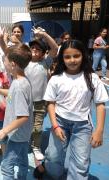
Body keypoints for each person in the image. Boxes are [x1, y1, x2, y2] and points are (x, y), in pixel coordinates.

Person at [33, 40, 109, 179]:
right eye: (67, 57)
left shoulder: (92, 78)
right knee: (54, 157)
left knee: (81, 162)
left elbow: (100, 104)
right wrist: (55, 126)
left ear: (83, 56)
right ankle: (49, 169)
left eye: (76, 56)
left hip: (83, 126)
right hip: (60, 123)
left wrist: (99, 130)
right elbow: (50, 103)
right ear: (62, 58)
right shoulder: (56, 79)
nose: (72, 60)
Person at [0, 43, 33, 180]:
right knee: (22, 159)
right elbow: (12, 93)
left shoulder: (19, 85)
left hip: (17, 134)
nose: (4, 64)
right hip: (23, 133)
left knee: (7, 165)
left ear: (13, 64)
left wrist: (4, 131)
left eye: (5, 61)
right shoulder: (21, 80)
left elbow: (23, 117)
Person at [25, 27, 59, 161]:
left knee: (37, 128)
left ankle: (36, 147)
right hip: (25, 101)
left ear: (43, 53)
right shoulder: (24, 62)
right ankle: (25, 142)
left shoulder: (46, 62)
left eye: (38, 49)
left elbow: (55, 48)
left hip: (40, 102)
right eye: (32, 48)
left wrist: (44, 34)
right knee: (25, 125)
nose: (34, 50)